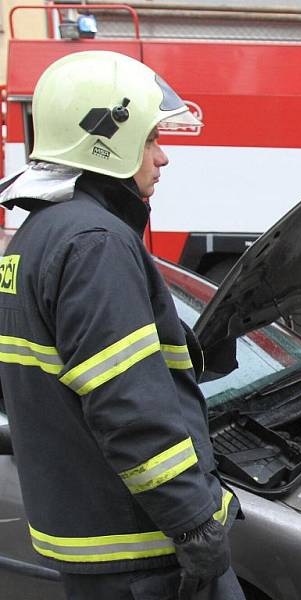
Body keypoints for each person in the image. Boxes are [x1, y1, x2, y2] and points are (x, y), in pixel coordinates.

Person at [0, 51, 245, 599]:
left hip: (90, 539)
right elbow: (128, 404)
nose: (163, 158)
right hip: (141, 548)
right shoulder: (96, 242)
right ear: (107, 138)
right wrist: (194, 522)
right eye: (152, 139)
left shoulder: (38, 236)